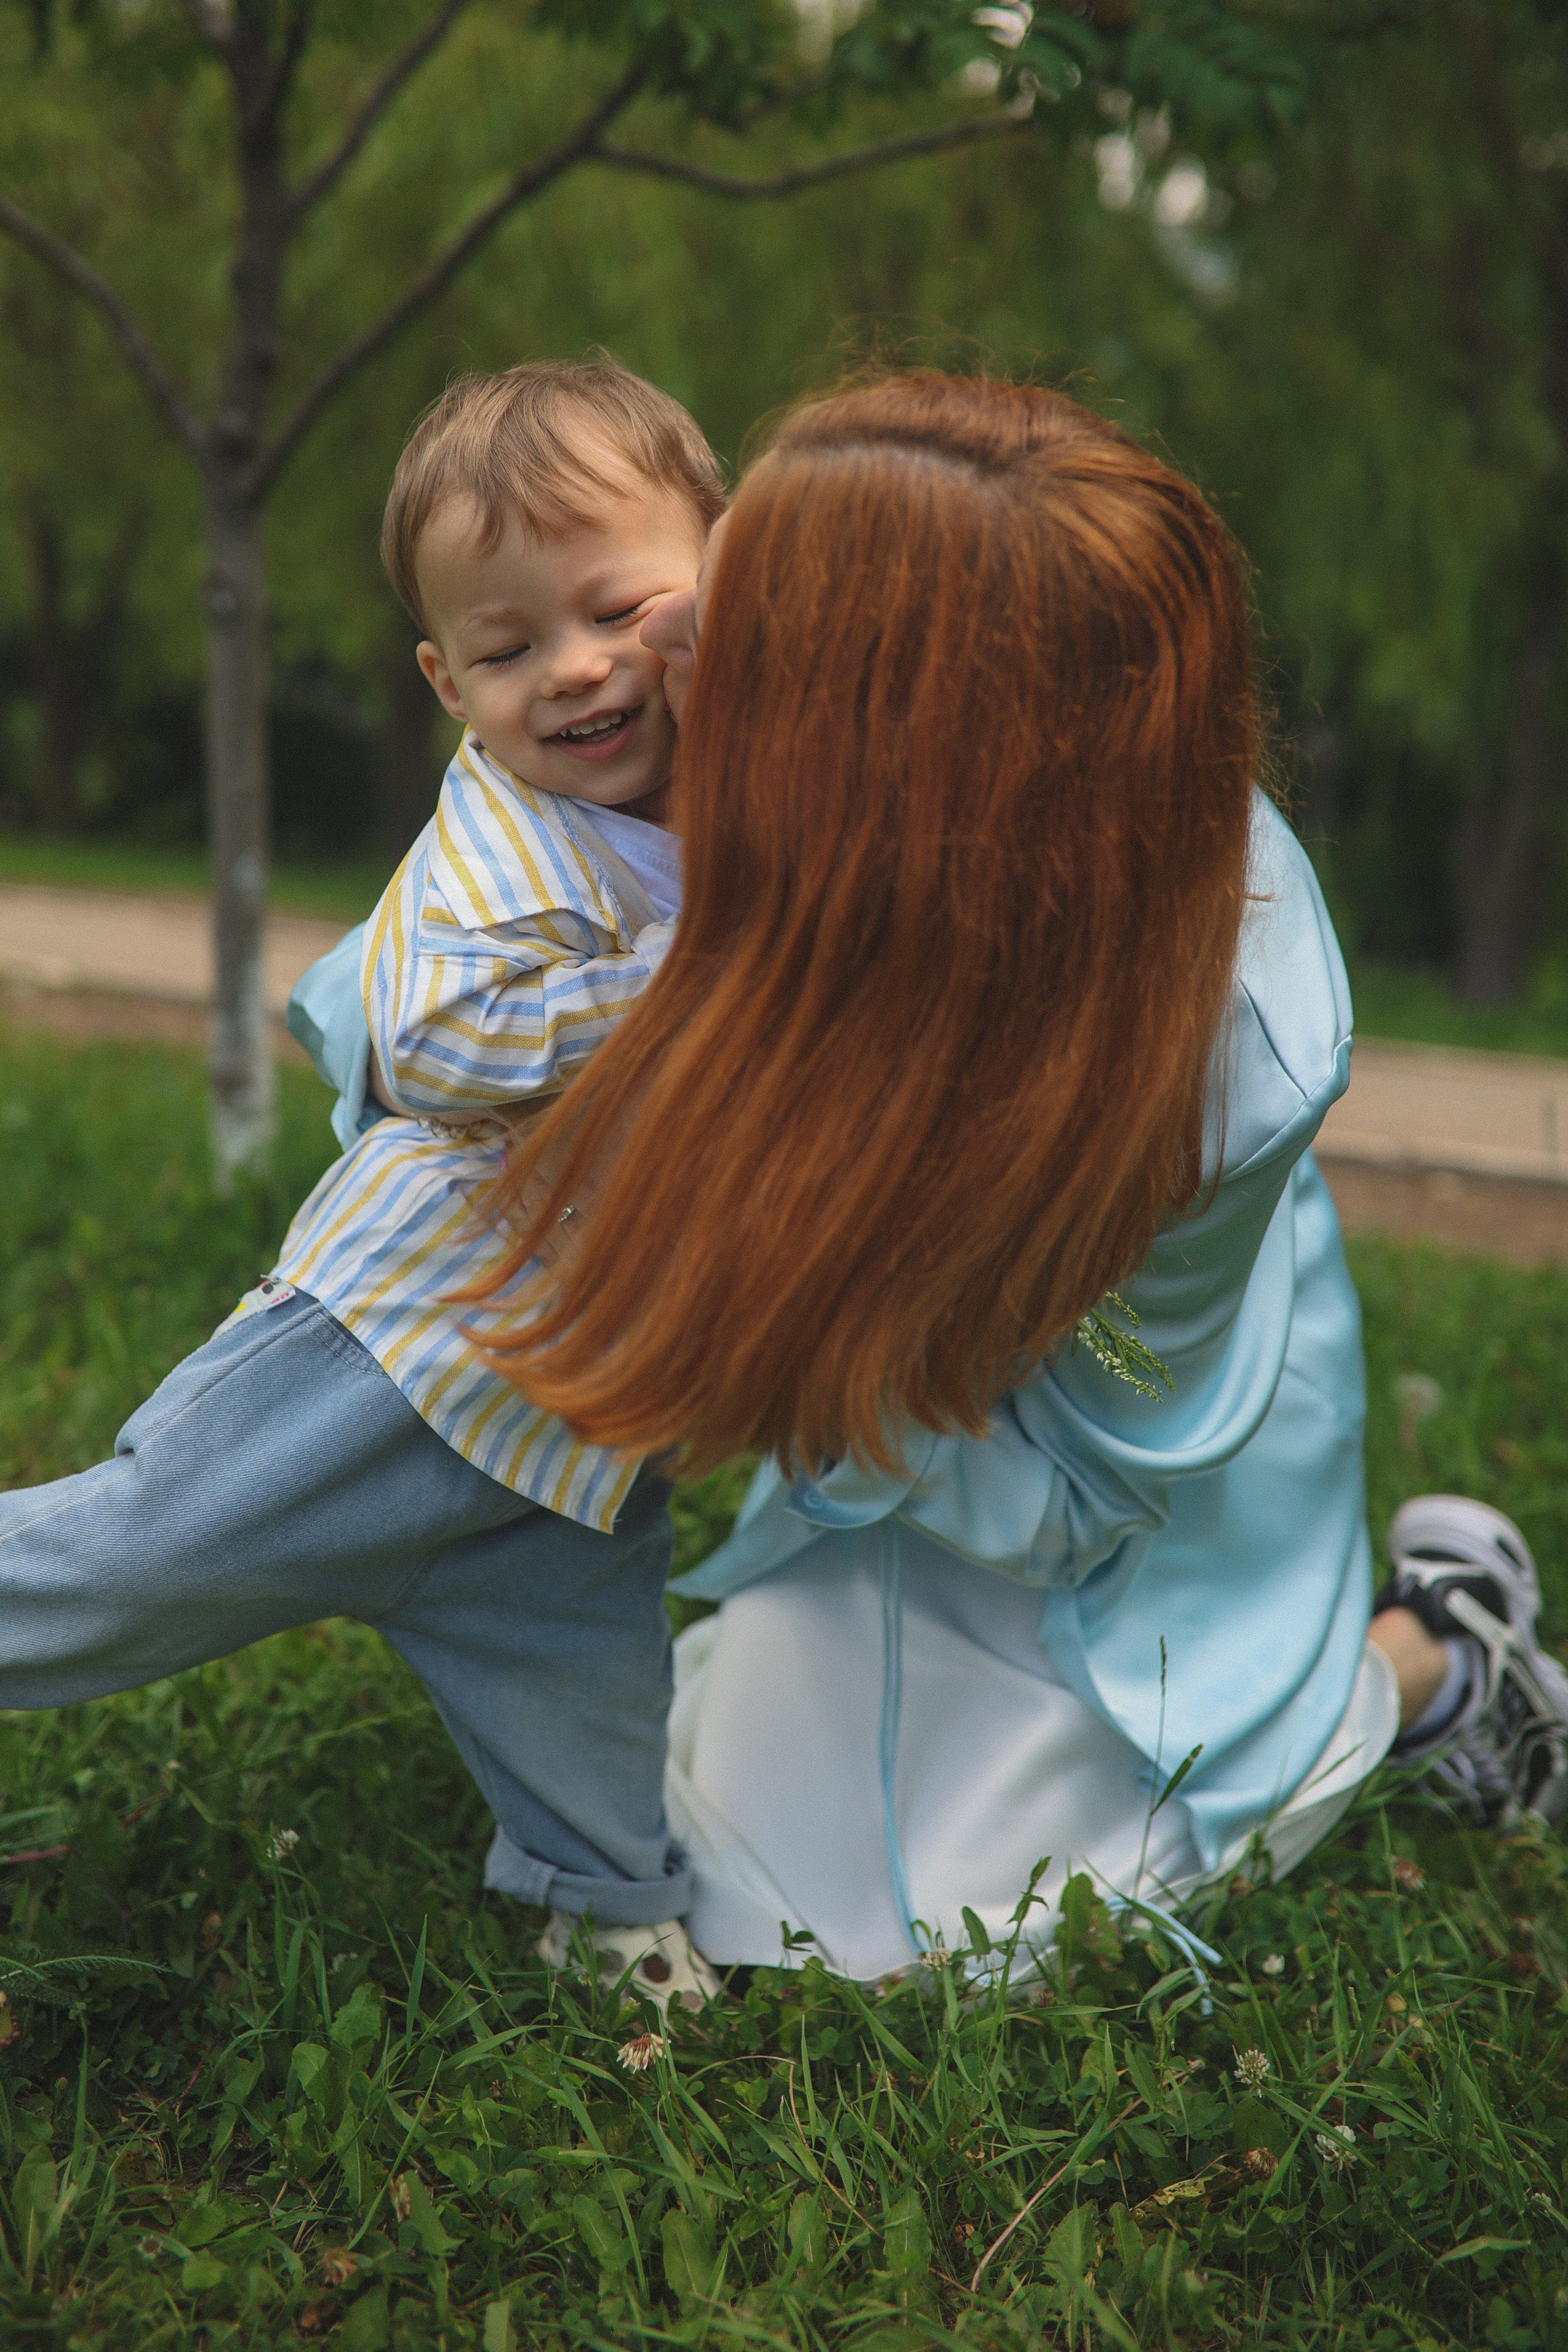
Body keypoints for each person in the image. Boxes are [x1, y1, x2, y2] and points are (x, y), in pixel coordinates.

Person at [466, 371, 1568, 1984]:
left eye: (750, 640)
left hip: (1115, 1407)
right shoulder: (883, 855)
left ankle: (1432, 1654)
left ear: (911, 764)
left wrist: (828, 1374)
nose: (672, 653)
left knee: (960, 1944)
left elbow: (1119, 1418)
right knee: (721, 1841)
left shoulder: (1229, 1054)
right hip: (921, 1385)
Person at [0, 359, 726, 2014]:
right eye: (507, 646)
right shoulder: (506, 833)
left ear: (724, 572)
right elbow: (436, 1031)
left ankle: (605, 1910)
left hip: (575, 1425)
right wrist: (715, 987)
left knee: (584, 1670)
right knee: (123, 1568)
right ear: (445, 686)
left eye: (617, 603)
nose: (579, 668)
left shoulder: (737, 798)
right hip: (399, 1352)